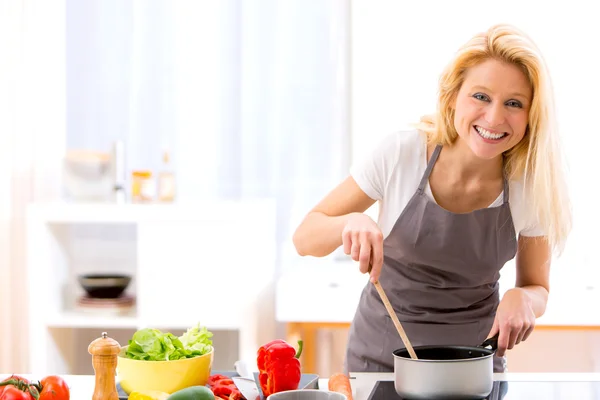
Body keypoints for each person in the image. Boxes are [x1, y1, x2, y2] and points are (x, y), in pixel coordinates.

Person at [292, 23, 572, 373]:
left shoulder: (529, 186)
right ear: (453, 96)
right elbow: (305, 238)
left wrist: (523, 297)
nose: (495, 117)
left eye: (513, 103)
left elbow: (537, 287)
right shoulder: (401, 154)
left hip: (473, 371)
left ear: (531, 117)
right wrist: (351, 221)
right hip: (379, 365)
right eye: (480, 96)